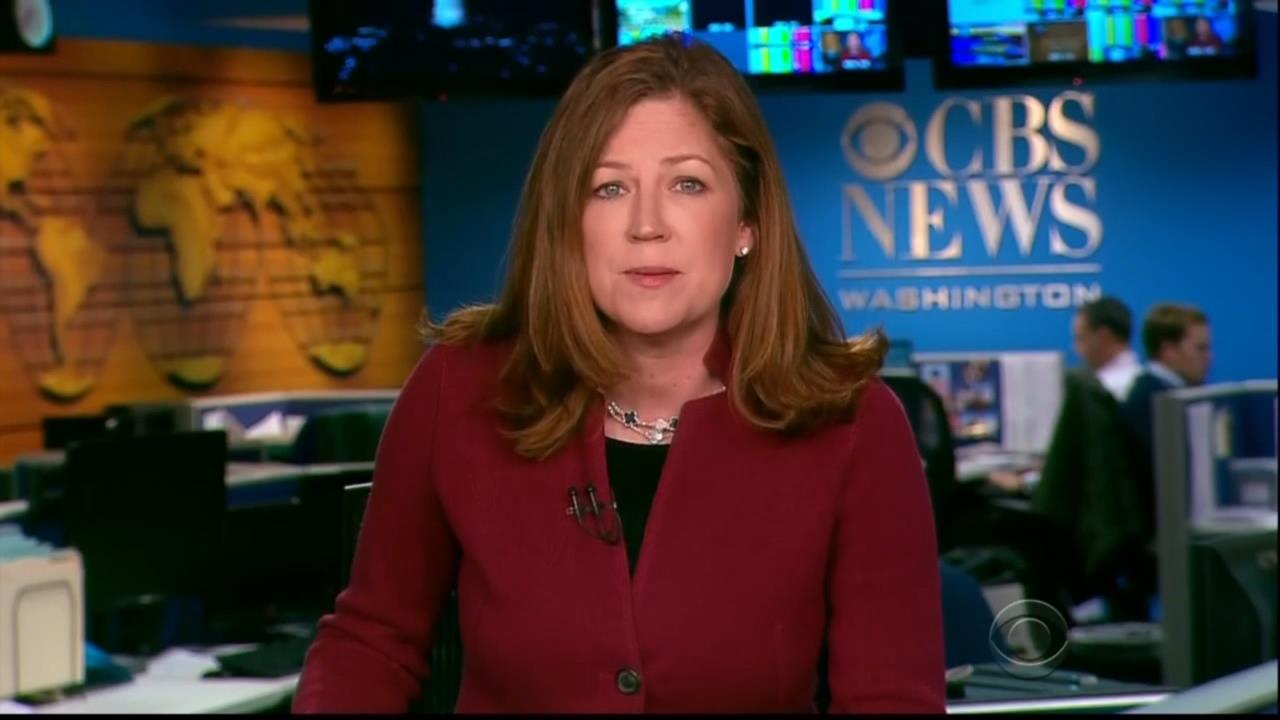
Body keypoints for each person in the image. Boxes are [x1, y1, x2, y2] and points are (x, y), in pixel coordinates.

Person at [293, 35, 945, 714]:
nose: (646, 225)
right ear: (569, 224)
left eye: (687, 184)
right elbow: (371, 644)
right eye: (609, 188)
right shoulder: (459, 388)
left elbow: (891, 699)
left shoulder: (854, 424)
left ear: (746, 222)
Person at [1122, 303, 1213, 456]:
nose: (1209, 358)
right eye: (1201, 349)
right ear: (1168, 351)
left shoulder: (1178, 395)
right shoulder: (1148, 403)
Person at [1071, 296, 1141, 402]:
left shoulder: (1096, 393)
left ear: (1104, 337)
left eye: (1081, 338)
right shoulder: (1149, 383)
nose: (1076, 348)